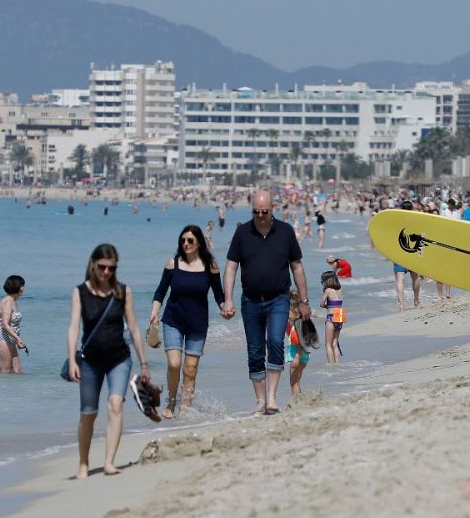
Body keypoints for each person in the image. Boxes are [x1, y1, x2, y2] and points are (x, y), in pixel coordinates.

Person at [67, 244, 153, 479]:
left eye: (111, 268)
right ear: (92, 264)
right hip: (90, 361)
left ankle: (108, 462)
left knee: (116, 404)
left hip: (119, 359)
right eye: (102, 267)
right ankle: (83, 464)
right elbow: (74, 327)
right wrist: (72, 359)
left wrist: (144, 363)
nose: (106, 272)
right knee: (88, 414)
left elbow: (134, 328)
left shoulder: (123, 291)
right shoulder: (80, 292)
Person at [221, 190, 310, 415]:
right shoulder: (242, 233)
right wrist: (228, 299)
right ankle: (260, 401)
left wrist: (304, 300)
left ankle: (271, 398)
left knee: (275, 342)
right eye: (256, 211)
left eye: (264, 211)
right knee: (255, 351)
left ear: (273, 208)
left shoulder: (286, 232)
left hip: (279, 299)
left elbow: (297, 267)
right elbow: (231, 267)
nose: (260, 215)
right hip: (250, 301)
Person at [149, 225, 227, 421]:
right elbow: (160, 291)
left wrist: (225, 307)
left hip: (197, 324)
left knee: (190, 369)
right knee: (174, 364)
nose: (186, 244)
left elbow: (219, 295)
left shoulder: (211, 266)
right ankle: (171, 400)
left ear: (199, 242)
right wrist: (154, 312)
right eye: (183, 240)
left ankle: (185, 406)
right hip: (173, 321)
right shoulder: (172, 264)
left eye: (190, 240)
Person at [0, 275, 27, 374]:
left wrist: (16, 340)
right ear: (15, 286)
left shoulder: (13, 301)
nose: (23, 288)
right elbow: (4, 324)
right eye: (21, 285)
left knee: (18, 371)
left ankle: (14, 390)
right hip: (1, 339)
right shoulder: (7, 302)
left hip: (10, 340)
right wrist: (18, 339)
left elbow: (13, 325)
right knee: (6, 372)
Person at [286, 291, 319, 398]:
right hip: (304, 355)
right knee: (297, 381)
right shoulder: (301, 322)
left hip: (297, 354)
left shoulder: (296, 326)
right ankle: (299, 400)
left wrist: (296, 357)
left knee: (293, 383)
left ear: (293, 310)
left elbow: (299, 342)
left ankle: (296, 402)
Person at [319, 271, 345, 364]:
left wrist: (327, 307)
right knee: (335, 343)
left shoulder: (328, 290)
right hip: (340, 316)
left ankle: (331, 364)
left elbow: (321, 304)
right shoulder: (340, 290)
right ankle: (338, 363)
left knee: (328, 344)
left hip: (331, 317)